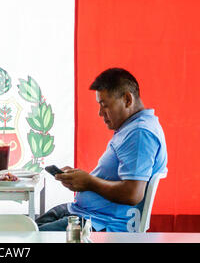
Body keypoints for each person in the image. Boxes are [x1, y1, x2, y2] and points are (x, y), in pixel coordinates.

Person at [36, 68, 167, 232]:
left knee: (29, 237)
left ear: (127, 99)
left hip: (102, 223)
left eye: (104, 105)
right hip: (85, 213)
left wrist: (89, 182)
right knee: (26, 229)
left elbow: (133, 194)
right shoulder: (131, 128)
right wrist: (80, 179)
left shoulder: (140, 134)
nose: (100, 113)